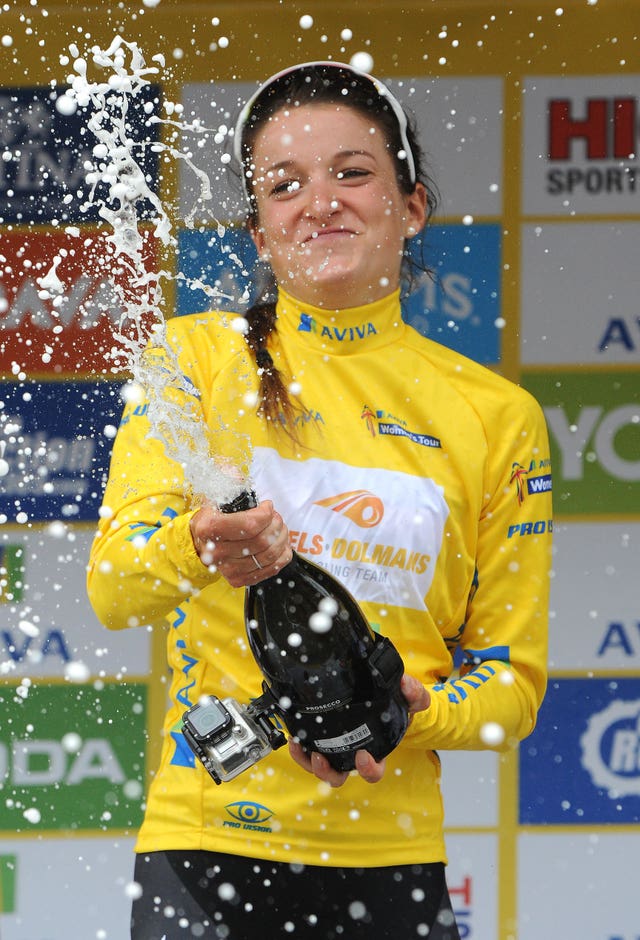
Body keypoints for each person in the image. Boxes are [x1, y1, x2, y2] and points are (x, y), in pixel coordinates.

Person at [87, 61, 552, 940]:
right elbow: (115, 587)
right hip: (207, 846)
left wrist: (414, 711)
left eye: (352, 172)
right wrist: (203, 545)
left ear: (411, 206)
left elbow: (512, 683)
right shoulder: (194, 361)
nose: (320, 202)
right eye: (284, 185)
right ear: (261, 233)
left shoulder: (498, 418)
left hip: (392, 864)